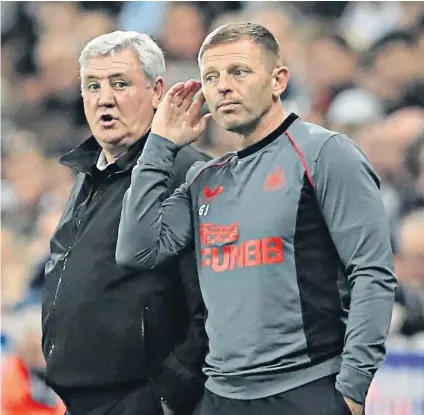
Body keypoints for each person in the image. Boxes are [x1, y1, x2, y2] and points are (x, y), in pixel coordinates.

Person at [116, 23, 397, 415]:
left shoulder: (325, 154)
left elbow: (372, 273)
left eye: (239, 72)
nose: (223, 86)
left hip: (306, 387)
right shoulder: (203, 178)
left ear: (278, 79)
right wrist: (160, 146)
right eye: (211, 77)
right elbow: (137, 250)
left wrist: (351, 387)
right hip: (220, 395)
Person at [41, 31, 209, 415]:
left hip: (139, 400)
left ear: (157, 91)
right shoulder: (89, 173)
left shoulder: (184, 172)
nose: (105, 98)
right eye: (93, 85)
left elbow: (209, 303)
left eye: (120, 83)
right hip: (83, 400)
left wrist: (168, 393)